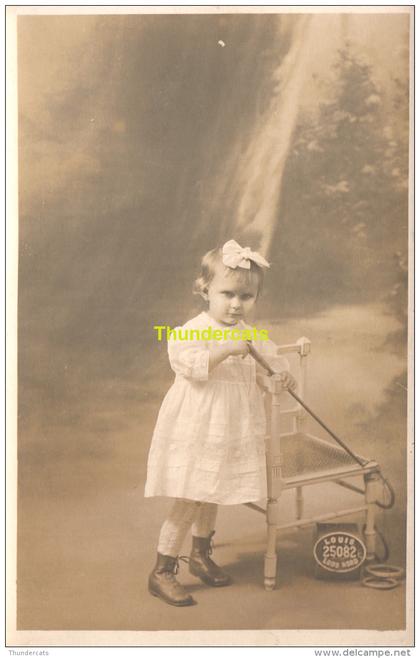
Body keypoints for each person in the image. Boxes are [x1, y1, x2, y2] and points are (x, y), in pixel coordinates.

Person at [144, 239, 296, 606]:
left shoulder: (248, 333)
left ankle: (200, 554)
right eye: (227, 294)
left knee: (211, 492)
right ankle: (162, 570)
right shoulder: (191, 331)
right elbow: (189, 366)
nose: (235, 304)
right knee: (191, 496)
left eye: (246, 297)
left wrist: (279, 375)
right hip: (198, 426)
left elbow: (268, 364)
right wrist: (226, 348)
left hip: (231, 429)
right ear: (204, 290)